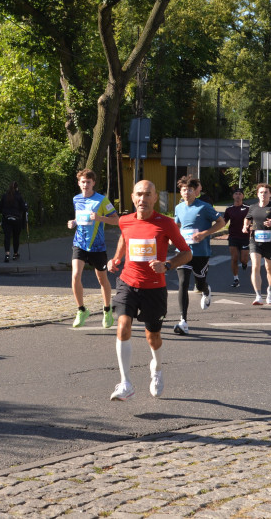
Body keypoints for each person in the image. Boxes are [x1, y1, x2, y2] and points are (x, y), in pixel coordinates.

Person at [106, 180, 191, 400]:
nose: (142, 199)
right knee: (123, 325)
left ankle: (157, 368)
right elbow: (124, 240)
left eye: (147, 195)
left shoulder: (166, 223)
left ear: (155, 198)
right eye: (139, 195)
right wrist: (116, 259)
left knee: (153, 336)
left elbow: (186, 252)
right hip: (128, 282)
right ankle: (125, 383)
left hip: (154, 288)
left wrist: (168, 265)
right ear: (133, 197)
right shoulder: (125, 221)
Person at [173, 176, 226, 335]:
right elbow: (176, 225)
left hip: (201, 252)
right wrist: (172, 238)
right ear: (180, 191)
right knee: (182, 283)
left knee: (199, 283)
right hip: (183, 251)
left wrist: (205, 233)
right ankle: (183, 320)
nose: (186, 192)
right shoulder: (178, 208)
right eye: (183, 190)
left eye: (189, 190)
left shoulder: (204, 207)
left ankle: (206, 290)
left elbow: (221, 223)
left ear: (195, 191)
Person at [67, 169, 120, 328]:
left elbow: (116, 220)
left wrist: (99, 218)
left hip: (97, 246)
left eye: (88, 182)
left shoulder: (102, 200)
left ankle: (107, 309)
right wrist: (73, 222)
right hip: (79, 244)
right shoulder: (76, 199)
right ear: (79, 183)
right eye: (83, 182)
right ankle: (81, 310)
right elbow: (79, 217)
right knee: (75, 275)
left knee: (102, 280)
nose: (85, 185)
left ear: (93, 183)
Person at [243, 183, 271, 305]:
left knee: (270, 268)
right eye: (261, 192)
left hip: (270, 242)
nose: (263, 194)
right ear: (258, 194)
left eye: (266, 192)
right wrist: (245, 226)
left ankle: (270, 289)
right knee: (255, 266)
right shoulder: (252, 207)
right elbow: (247, 217)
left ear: (270, 194)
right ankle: (258, 295)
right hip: (255, 240)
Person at [224, 188, 250, 288]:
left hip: (245, 237)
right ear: (233, 196)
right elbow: (224, 221)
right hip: (233, 236)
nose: (238, 195)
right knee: (234, 258)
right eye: (236, 194)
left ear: (243, 196)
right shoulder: (229, 209)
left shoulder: (248, 208)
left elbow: (252, 220)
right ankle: (236, 279)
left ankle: (244, 263)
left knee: (244, 259)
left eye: (240, 194)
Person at [0, 181, 28, 262]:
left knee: (7, 237)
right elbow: (24, 208)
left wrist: (5, 212)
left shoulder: (5, 196)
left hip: (6, 219)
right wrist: (25, 206)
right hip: (17, 219)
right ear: (17, 188)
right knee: (16, 237)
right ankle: (15, 254)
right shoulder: (19, 196)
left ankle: (7, 255)